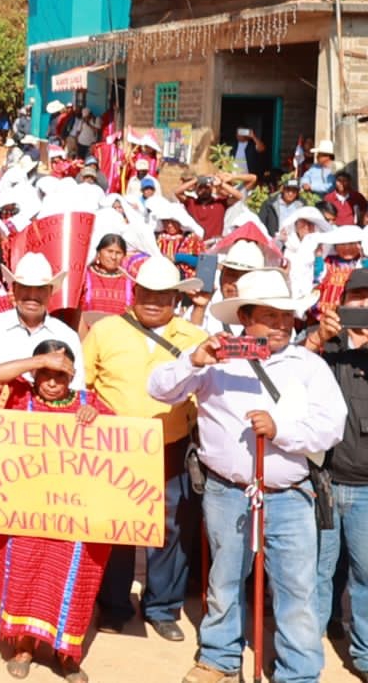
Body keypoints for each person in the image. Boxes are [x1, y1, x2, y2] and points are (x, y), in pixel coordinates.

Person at [148, 269, 347, 683]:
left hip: (290, 494)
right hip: (227, 492)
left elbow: (331, 427)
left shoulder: (308, 365)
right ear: (245, 317)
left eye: (286, 316)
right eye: (269, 316)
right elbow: (158, 388)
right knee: (225, 578)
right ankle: (219, 659)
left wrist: (281, 431)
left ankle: (299, 672)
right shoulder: (216, 358)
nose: (280, 324)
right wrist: (193, 360)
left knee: (297, 588)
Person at [0, 340, 109, 683]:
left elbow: (121, 449)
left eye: (60, 374)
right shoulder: (20, 399)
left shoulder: (91, 405)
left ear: (73, 376)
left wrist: (98, 422)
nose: (51, 381)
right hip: (29, 516)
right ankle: (25, 646)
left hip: (73, 518)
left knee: (72, 584)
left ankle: (67, 653)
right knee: (26, 576)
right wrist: (39, 359)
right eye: (44, 373)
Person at [84, 258, 206, 640]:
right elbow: (83, 383)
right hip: (115, 448)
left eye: (162, 295)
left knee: (170, 527)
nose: (153, 301)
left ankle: (162, 607)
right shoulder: (104, 331)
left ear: (176, 298)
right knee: (118, 525)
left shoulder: (194, 337)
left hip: (170, 446)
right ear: (133, 292)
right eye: (146, 293)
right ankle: (115, 603)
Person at [308, 267, 368, 676]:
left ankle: (364, 656)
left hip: (366, 488)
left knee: (367, 577)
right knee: (316, 573)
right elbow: (285, 368)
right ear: (342, 303)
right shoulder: (326, 345)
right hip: (326, 481)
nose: (362, 307)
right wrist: (318, 337)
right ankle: (303, 652)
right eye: (357, 299)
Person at [0, 253, 87, 393]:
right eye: (25, 287)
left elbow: (77, 393)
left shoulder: (67, 336)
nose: (32, 296)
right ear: (14, 289)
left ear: (50, 291)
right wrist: (41, 361)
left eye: (40, 289)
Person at [80, 233, 133, 318]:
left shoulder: (130, 281)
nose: (113, 257)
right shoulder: (84, 277)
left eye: (118, 253)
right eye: (109, 251)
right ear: (99, 252)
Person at [177, 174, 241, 241]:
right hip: (196, 244)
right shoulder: (191, 203)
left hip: (215, 244)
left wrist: (221, 184)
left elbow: (238, 196)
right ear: (195, 190)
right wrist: (196, 180)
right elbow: (177, 192)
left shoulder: (220, 203)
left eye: (206, 187)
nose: (203, 190)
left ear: (211, 189)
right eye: (200, 188)